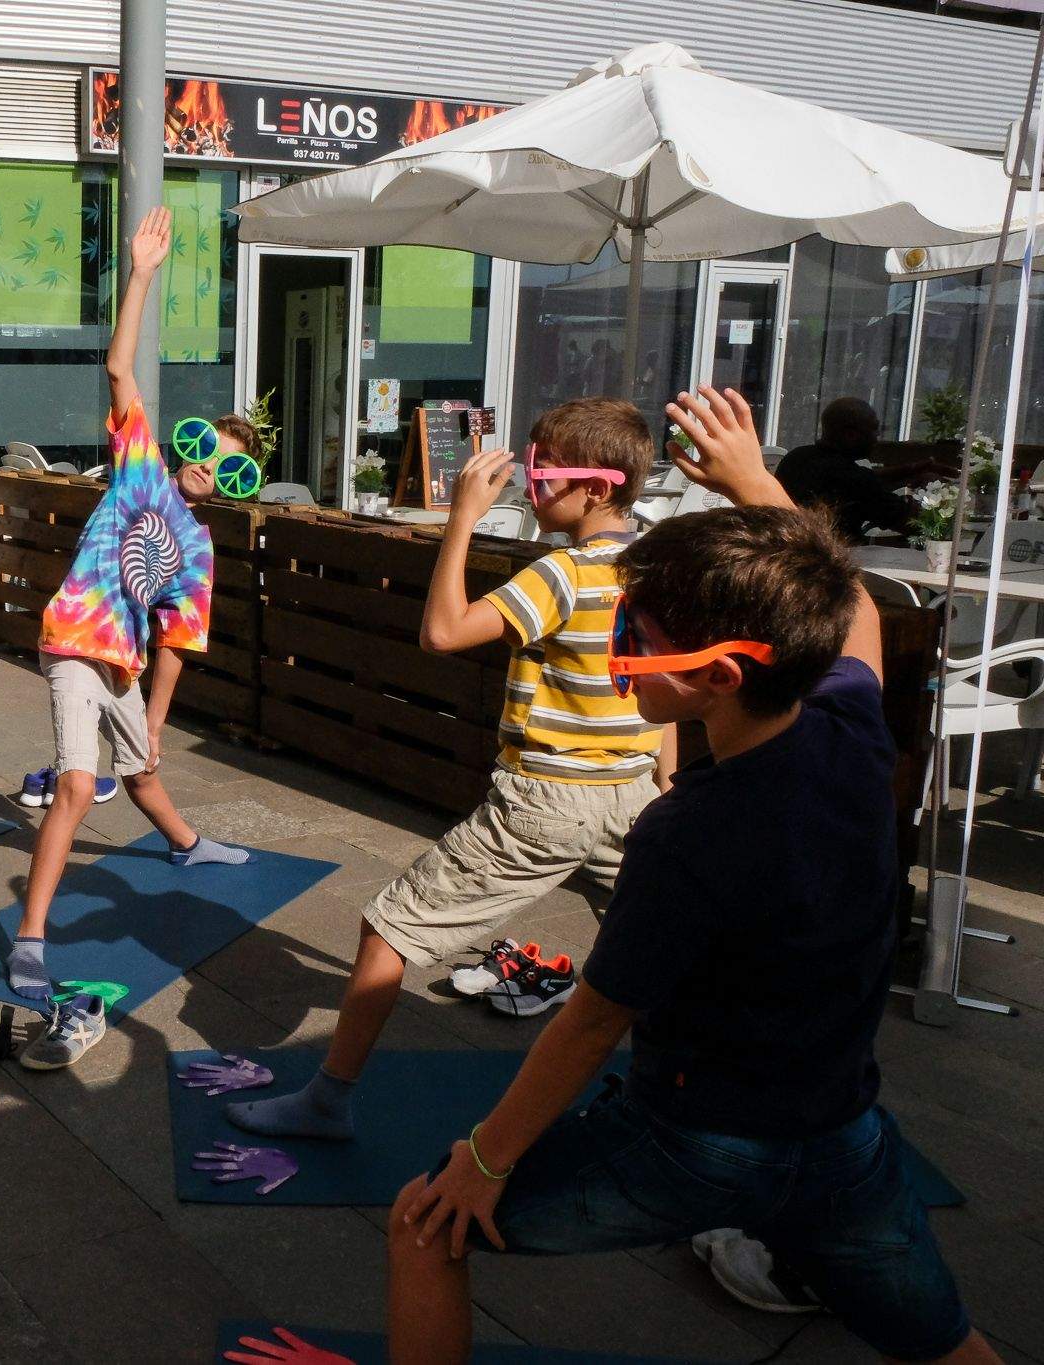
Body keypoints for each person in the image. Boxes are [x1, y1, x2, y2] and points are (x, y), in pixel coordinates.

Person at [383, 386, 995, 1365]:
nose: (616, 652)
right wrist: (754, 483)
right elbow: (853, 619)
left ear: (715, 676)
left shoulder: (688, 829)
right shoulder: (845, 730)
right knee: (941, 1339)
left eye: (634, 640)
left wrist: (484, 1158)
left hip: (691, 1146)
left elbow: (590, 1020)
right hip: (841, 1143)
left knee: (423, 1225)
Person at [228, 397, 667, 1141]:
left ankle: (327, 1101)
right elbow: (662, 686)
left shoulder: (562, 574)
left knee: (386, 930)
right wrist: (666, 778)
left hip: (548, 800)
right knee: (652, 953)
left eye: (543, 473)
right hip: (633, 792)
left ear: (598, 487)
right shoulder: (657, 566)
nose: (529, 484)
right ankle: (670, 1105)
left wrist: (462, 517)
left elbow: (441, 631)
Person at [0, 206, 252, 1068]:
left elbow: (176, 640)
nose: (209, 466)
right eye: (205, 447)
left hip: (123, 666)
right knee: (75, 786)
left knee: (144, 769)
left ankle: (188, 843)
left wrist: (157, 715)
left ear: (238, 484)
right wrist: (141, 273)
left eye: (231, 466)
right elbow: (121, 364)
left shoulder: (200, 545)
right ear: (185, 446)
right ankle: (29, 935)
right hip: (72, 646)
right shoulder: (138, 464)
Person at [776, 396, 948, 541]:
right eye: (874, 430)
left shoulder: (796, 458)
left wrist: (910, 471)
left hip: (788, 553)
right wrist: (930, 492)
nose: (877, 438)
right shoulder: (853, 479)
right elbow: (913, 524)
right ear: (851, 435)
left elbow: (867, 479)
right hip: (835, 564)